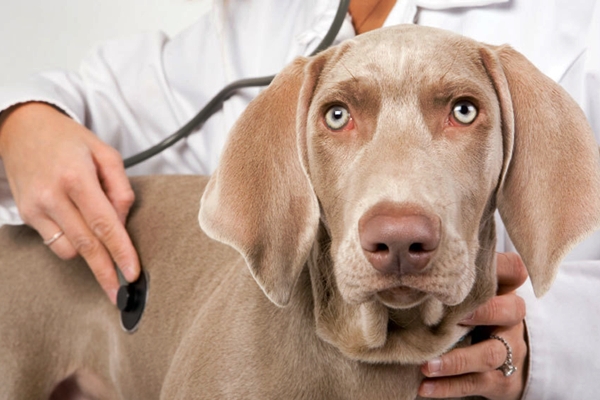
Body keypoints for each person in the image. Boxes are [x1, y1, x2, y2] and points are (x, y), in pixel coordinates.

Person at [0, 0, 598, 398]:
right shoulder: (263, 11)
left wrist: (539, 342)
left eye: (463, 111)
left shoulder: (577, 24)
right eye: (336, 115)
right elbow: (110, 100)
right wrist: (24, 123)